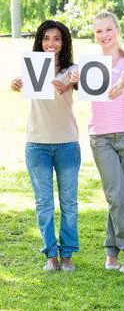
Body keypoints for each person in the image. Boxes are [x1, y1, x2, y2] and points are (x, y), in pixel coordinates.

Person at [71, 10, 124, 273]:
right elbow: (71, 80)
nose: (104, 35)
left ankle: (111, 251)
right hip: (101, 136)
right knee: (115, 194)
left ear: (117, 29)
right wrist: (73, 79)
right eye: (99, 31)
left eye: (108, 29)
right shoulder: (89, 64)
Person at [10, 20, 81, 271]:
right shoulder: (32, 68)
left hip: (67, 144)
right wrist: (16, 84)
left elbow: (80, 80)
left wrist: (72, 80)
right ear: (40, 41)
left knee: (69, 202)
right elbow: (20, 83)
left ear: (64, 43)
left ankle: (68, 255)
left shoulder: (72, 69)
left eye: (57, 39)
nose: (51, 43)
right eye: (46, 38)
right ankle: (51, 255)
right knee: (44, 203)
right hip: (37, 145)